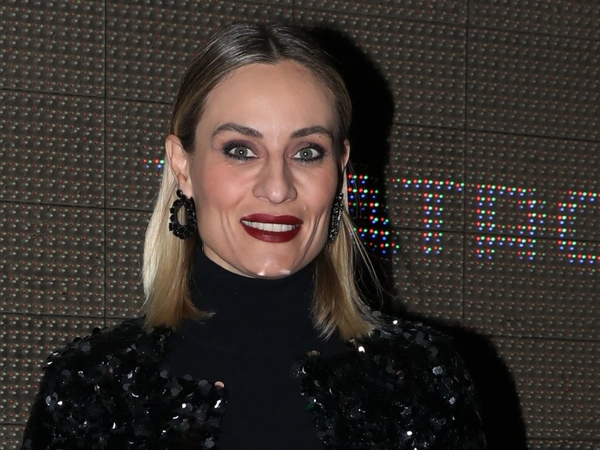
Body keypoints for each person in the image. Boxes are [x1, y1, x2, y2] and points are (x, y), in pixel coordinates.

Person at [20, 23, 486, 450]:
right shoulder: (92, 387)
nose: (277, 188)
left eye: (307, 152)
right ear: (183, 165)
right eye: (241, 150)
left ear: (340, 170)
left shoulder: (420, 378)